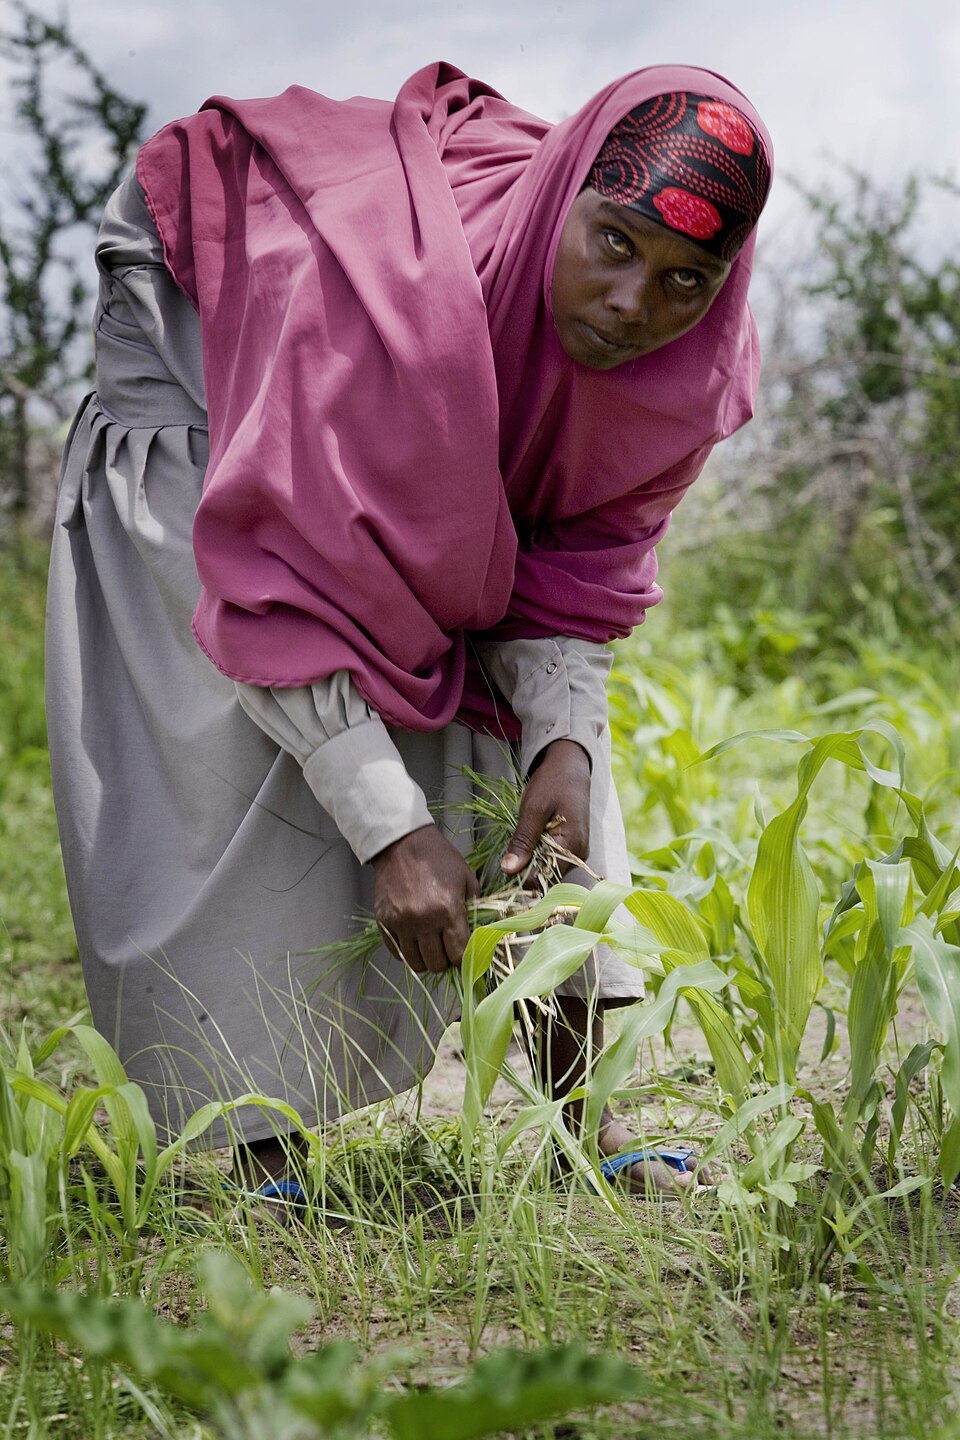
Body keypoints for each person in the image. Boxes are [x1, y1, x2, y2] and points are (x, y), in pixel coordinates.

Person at [45, 64, 772, 1199]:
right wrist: (392, 832)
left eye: (689, 278)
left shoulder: (678, 372)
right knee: (221, 717)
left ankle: (591, 1119)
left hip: (416, 379)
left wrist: (564, 749)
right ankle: (242, 1138)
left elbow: (574, 579)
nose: (639, 307)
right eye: (617, 245)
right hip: (214, 325)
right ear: (566, 200)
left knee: (552, 792)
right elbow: (275, 586)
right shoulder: (381, 326)